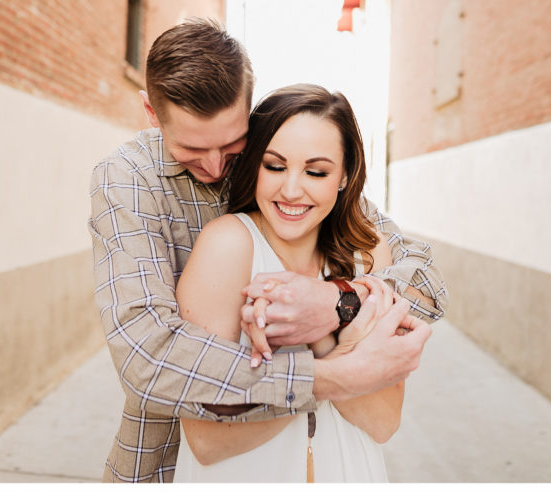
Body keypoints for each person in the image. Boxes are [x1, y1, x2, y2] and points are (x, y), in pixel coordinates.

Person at [87, 19, 448, 483]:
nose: (217, 167)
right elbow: (149, 353)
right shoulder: (128, 180)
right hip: (170, 455)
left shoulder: (286, 167)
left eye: (234, 145)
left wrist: (337, 302)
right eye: (192, 148)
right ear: (151, 113)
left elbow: (424, 276)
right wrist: (339, 372)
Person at [174, 84, 425, 482]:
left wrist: (317, 328)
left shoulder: (369, 254)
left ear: (344, 176)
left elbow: (384, 423)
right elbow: (206, 439)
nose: (291, 190)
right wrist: (344, 369)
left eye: (316, 171)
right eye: (274, 166)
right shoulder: (229, 245)